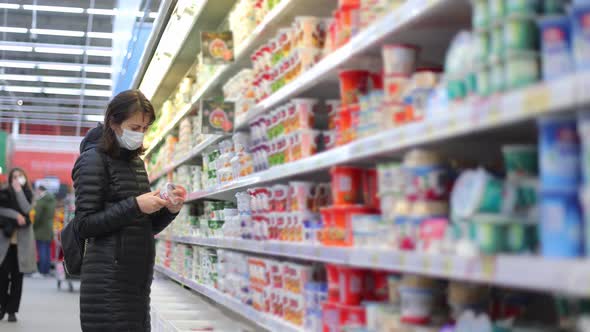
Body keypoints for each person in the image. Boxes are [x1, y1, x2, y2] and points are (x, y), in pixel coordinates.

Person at [73, 90, 186, 332]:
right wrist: (135, 205)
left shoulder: (135, 163)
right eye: (135, 127)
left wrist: (169, 210)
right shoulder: (92, 160)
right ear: (113, 122)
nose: (140, 134)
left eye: (145, 128)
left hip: (135, 280)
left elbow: (143, 226)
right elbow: (84, 225)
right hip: (107, 281)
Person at [0, 168, 37, 322]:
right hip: (5, 243)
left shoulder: (29, 194)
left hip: (22, 244)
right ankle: (3, 306)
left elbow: (27, 209)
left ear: (24, 178)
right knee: (2, 277)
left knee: (17, 278)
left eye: (19, 176)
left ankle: (12, 311)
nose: (16, 179)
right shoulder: (3, 193)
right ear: (9, 179)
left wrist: (19, 191)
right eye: (14, 177)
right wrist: (16, 216)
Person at [33, 185, 56, 276]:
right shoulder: (52, 200)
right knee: (47, 250)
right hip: (49, 228)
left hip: (41, 229)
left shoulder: (41, 201)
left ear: (39, 190)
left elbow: (37, 217)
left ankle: (42, 271)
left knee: (42, 250)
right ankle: (46, 270)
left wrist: (34, 227)